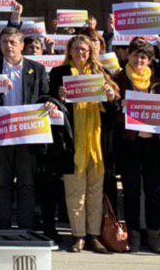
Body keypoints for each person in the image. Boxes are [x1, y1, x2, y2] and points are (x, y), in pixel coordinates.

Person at [46, 33, 120, 253]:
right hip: (72, 145)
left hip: (97, 145)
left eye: (85, 50)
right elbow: (48, 103)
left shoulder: (101, 74)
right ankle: (78, 235)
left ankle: (93, 235)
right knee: (74, 193)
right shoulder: (59, 74)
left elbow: (114, 113)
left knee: (95, 193)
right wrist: (57, 98)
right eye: (76, 49)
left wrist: (110, 97)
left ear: (91, 53)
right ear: (70, 51)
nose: (80, 53)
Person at [0, 25, 55, 229]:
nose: (8, 46)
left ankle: (25, 224)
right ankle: (3, 223)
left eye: (13, 42)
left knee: (26, 182)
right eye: (4, 42)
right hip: (2, 134)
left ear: (22, 45)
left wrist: (49, 103)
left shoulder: (36, 69)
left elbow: (44, 94)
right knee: (2, 181)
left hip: (26, 135)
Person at [112, 39, 160, 254]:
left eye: (143, 57)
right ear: (129, 56)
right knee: (131, 191)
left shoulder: (158, 83)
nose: (139, 60)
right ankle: (134, 235)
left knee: (153, 191)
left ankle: (154, 237)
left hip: (154, 146)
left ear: (150, 60)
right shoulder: (118, 80)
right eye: (135, 55)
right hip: (129, 145)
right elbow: (108, 111)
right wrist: (120, 107)